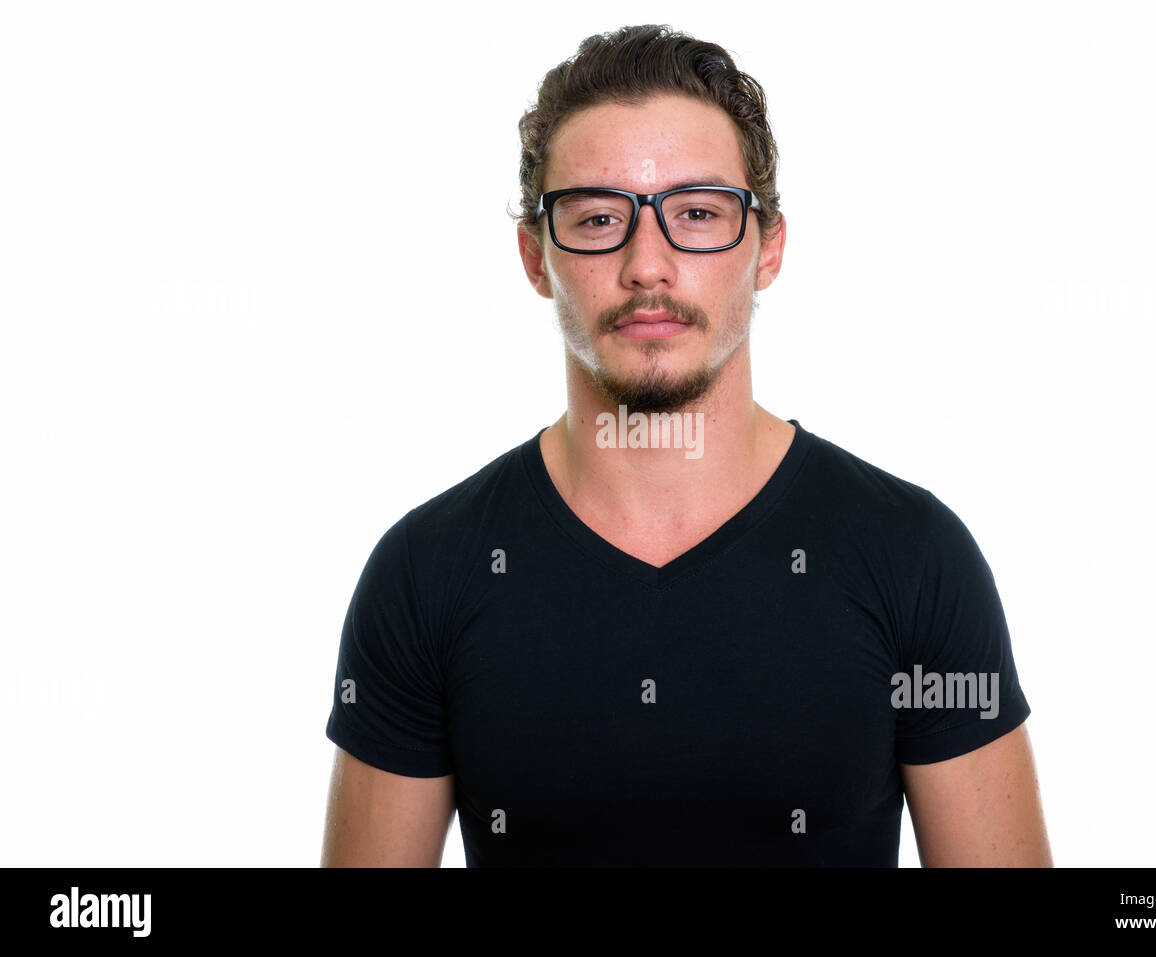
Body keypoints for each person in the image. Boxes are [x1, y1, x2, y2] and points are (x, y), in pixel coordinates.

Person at [320, 23, 1052, 867]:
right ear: (534, 255)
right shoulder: (427, 573)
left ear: (768, 247)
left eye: (697, 213)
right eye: (598, 217)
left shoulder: (914, 556)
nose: (648, 264)